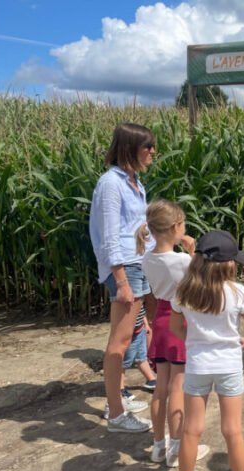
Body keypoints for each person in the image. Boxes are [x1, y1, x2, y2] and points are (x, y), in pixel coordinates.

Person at [167, 230, 244, 471]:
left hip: (197, 366)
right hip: (229, 366)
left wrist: (195, 341)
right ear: (229, 264)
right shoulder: (238, 292)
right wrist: (242, 344)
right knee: (232, 430)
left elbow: (175, 327)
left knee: (191, 429)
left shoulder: (184, 291)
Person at [89, 122, 157, 433]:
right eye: (148, 146)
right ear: (130, 149)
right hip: (124, 268)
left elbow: (140, 231)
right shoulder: (111, 184)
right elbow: (109, 237)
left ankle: (117, 398)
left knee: (131, 336)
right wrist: (121, 281)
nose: (153, 152)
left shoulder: (135, 183)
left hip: (137, 264)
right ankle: (116, 414)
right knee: (119, 341)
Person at [136, 199, 210, 467]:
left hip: (161, 323)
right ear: (176, 227)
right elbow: (202, 283)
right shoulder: (180, 260)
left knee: (161, 389)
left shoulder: (146, 257)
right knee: (179, 388)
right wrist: (193, 252)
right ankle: (178, 448)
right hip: (181, 322)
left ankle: (158, 445)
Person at [121, 305, 157, 397]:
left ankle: (151, 380)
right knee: (123, 362)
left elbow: (140, 307)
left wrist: (145, 324)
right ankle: (119, 389)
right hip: (130, 333)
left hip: (140, 329)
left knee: (141, 357)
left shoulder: (137, 294)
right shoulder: (125, 294)